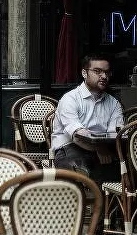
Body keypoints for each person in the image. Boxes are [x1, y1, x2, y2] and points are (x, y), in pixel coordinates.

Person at [50, 54, 124, 183]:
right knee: (81, 169)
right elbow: (77, 134)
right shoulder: (70, 99)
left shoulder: (113, 103)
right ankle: (86, 201)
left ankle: (109, 201)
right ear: (84, 73)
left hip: (103, 148)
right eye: (97, 71)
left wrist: (102, 147)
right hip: (69, 147)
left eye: (107, 72)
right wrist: (98, 148)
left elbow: (114, 134)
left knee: (125, 167)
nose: (104, 76)